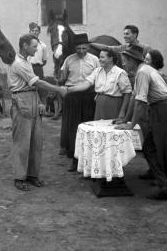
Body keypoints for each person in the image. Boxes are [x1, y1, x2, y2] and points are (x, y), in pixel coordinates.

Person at [115, 45, 167, 200]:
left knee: (160, 147)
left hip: (162, 109)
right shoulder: (142, 71)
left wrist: (130, 125)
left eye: (125, 61)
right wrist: (125, 119)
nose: (123, 64)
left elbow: (141, 103)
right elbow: (134, 98)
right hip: (161, 108)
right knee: (150, 146)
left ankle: (166, 187)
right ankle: (162, 182)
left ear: (132, 61)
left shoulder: (142, 72)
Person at [7, 34, 67, 191]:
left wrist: (39, 102)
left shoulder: (26, 61)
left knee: (36, 141)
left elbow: (33, 85)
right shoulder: (18, 63)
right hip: (21, 101)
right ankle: (19, 177)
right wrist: (58, 89)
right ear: (25, 46)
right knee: (22, 142)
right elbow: (38, 82)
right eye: (34, 46)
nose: (37, 49)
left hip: (31, 98)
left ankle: (32, 175)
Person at [58, 34, 99, 170]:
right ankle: (75, 160)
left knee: (87, 127)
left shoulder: (95, 60)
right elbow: (62, 78)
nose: (81, 51)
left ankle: (88, 161)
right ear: (75, 48)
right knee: (73, 128)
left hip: (89, 97)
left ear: (88, 47)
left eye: (84, 48)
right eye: (78, 48)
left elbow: (98, 78)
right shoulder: (69, 60)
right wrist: (60, 78)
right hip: (72, 97)